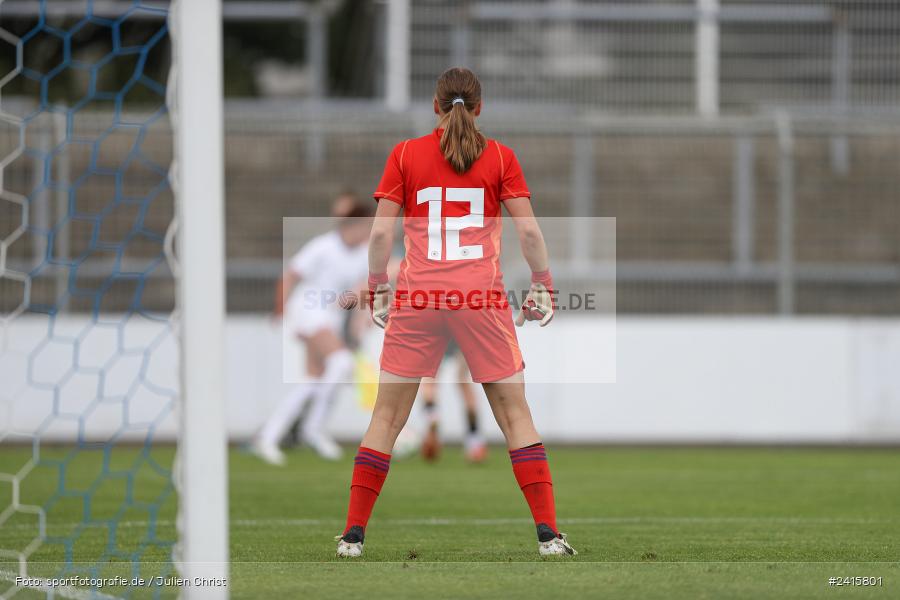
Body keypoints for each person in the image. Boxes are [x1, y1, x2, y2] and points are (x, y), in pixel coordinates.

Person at [336, 67, 575, 557]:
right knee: (514, 415)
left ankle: (353, 536)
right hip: (479, 300)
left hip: (420, 298)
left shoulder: (404, 154)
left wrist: (379, 287)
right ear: (480, 108)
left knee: (385, 418)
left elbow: (380, 235)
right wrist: (543, 284)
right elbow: (529, 233)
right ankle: (549, 535)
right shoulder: (501, 157)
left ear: (435, 106)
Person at [251, 198, 373, 464]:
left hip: (328, 317)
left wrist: (361, 318)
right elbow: (290, 276)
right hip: (307, 313)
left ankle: (268, 438)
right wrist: (280, 311)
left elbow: (359, 291)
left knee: (312, 381)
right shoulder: (323, 247)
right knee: (341, 362)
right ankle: (313, 429)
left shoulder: (363, 255)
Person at [419, 345, 488, 463]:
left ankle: (432, 415)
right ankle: (474, 442)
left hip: (437, 329)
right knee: (462, 379)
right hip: (465, 330)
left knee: (429, 378)